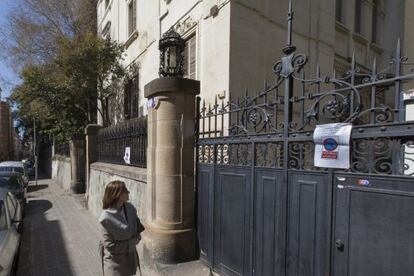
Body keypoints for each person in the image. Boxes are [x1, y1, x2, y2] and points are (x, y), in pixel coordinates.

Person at [99, 180, 145, 276]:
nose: (128, 192)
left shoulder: (130, 208)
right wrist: (132, 243)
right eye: (125, 191)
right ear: (117, 194)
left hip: (130, 259)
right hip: (115, 264)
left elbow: (138, 225)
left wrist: (138, 235)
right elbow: (110, 246)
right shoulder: (106, 218)